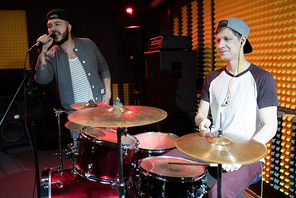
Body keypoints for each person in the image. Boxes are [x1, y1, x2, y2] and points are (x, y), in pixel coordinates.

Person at [163, 17, 279, 197]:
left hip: (249, 157)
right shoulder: (211, 78)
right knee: (163, 163)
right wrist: (202, 121)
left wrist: (241, 156)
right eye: (218, 40)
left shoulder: (262, 78)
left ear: (242, 40)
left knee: (219, 193)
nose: (220, 45)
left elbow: (270, 126)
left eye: (227, 39)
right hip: (214, 147)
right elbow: (201, 113)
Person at [34, 9, 111, 147]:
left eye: (57, 24)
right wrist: (42, 52)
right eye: (50, 26)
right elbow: (42, 79)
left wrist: (108, 91)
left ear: (69, 27)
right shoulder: (51, 55)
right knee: (82, 155)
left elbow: (103, 66)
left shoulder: (88, 44)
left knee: (107, 151)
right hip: (76, 115)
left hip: (100, 108)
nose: (53, 29)